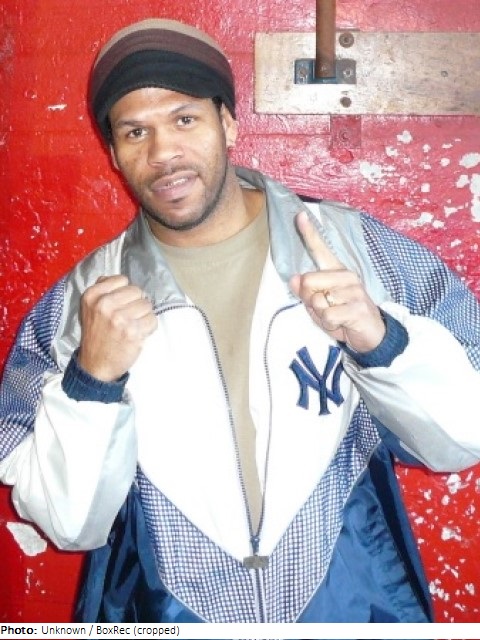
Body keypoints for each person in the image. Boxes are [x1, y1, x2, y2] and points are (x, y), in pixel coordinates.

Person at [0, 17, 480, 625]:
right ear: (114, 153)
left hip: (353, 605)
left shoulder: (356, 248)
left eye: (184, 119)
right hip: (164, 610)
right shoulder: (81, 300)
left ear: (227, 122)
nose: (162, 154)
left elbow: (462, 440)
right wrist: (93, 380)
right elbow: (70, 526)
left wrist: (380, 342)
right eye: (135, 132)